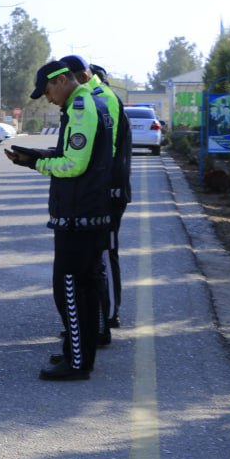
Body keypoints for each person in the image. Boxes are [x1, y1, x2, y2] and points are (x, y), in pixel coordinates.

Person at [5, 59, 114, 381]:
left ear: (62, 80)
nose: (49, 99)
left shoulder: (81, 106)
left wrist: (37, 165)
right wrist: (35, 157)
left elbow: (75, 164)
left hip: (79, 216)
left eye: (48, 91)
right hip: (89, 213)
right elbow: (77, 154)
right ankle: (79, 354)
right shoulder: (90, 103)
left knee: (70, 289)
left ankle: (77, 361)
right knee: (86, 287)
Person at [87, 61, 132, 332]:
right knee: (98, 253)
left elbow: (106, 149)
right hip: (104, 189)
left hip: (110, 191)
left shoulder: (103, 99)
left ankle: (110, 313)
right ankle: (98, 314)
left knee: (106, 252)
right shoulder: (102, 98)